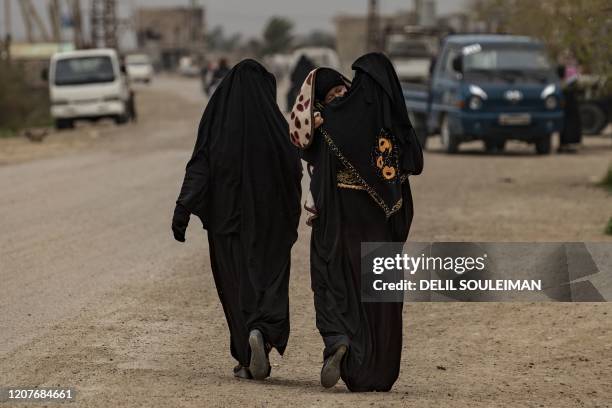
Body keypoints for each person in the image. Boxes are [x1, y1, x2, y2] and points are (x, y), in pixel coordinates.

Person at [289, 54, 423, 392]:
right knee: (381, 297)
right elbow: (412, 165)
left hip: (340, 217)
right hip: (379, 221)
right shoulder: (392, 125)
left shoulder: (332, 121)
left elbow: (303, 145)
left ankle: (343, 345)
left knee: (337, 282)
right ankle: (380, 370)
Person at [172, 59, 302, 380]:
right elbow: (294, 173)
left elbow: (200, 166)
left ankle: (246, 355)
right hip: (271, 226)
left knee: (236, 285)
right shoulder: (275, 126)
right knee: (268, 281)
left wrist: (183, 210)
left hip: (227, 225)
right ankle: (263, 329)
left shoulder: (216, 122)